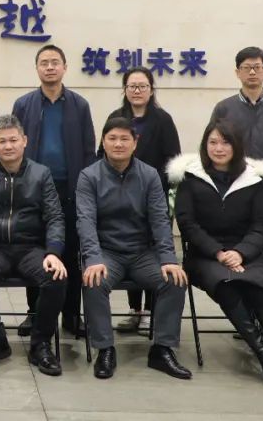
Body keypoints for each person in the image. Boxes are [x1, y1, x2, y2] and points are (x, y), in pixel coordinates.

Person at [171, 121, 263, 395]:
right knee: (227, 285)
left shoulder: (252, 178)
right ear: (205, 145)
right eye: (213, 142)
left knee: (259, 290)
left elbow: (261, 224)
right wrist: (219, 252)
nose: (219, 148)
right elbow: (187, 224)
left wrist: (240, 252)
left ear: (236, 146)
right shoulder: (191, 177)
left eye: (225, 142)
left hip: (247, 252)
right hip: (206, 255)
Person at [77, 116, 191, 381]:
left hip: (142, 253)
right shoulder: (89, 176)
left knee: (174, 281)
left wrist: (168, 259)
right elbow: (85, 221)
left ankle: (162, 349)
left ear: (135, 142)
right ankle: (105, 349)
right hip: (107, 252)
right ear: (103, 142)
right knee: (93, 281)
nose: (118, 144)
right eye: (112, 138)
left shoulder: (149, 175)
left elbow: (160, 220)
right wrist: (93, 258)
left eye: (124, 139)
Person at [0, 115, 67, 376]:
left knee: (56, 277)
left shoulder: (41, 174)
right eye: (2, 141)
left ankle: (41, 343)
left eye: (13, 140)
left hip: (31, 248)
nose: (8, 146)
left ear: (24, 141)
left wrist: (53, 252)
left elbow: (55, 217)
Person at [12, 44, 95, 337]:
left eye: (55, 62)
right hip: (32, 190)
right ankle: (34, 313)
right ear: (37, 68)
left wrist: (85, 189)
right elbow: (14, 148)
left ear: (64, 67)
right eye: (44, 62)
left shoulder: (79, 105)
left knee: (70, 253)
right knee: (34, 251)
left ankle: (72, 315)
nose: (50, 67)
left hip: (69, 190)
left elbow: (88, 151)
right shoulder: (23, 105)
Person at [101, 66, 181, 333]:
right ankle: (135, 310)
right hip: (119, 195)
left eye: (142, 86)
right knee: (126, 246)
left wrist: (157, 187)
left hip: (154, 195)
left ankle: (151, 311)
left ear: (151, 89)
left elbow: (173, 159)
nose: (137, 91)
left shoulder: (163, 119)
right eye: (132, 86)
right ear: (124, 89)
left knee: (152, 252)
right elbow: (102, 153)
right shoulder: (116, 117)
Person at [209, 46, 263, 183]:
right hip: (234, 183)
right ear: (237, 72)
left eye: (257, 67)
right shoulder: (223, 108)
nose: (252, 72)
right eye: (246, 68)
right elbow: (212, 145)